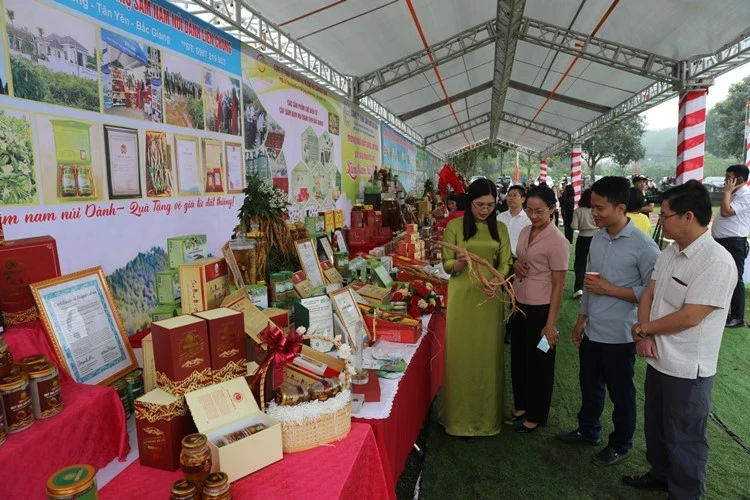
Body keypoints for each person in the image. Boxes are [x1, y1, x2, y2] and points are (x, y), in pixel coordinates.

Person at [622, 180, 736, 499]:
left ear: (688, 217)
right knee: (656, 427)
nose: (660, 220)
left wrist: (644, 330)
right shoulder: (671, 251)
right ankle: (660, 474)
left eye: (665, 214)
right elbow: (650, 293)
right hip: (658, 356)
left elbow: (690, 316)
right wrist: (643, 331)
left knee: (685, 436)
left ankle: (685, 492)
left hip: (688, 368)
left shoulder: (716, 261)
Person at [557, 177, 660, 467]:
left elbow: (653, 294)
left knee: (621, 392)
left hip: (622, 334)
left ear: (621, 207)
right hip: (594, 328)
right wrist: (581, 320)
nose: (594, 214)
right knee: (589, 385)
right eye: (592, 208)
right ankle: (588, 430)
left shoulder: (645, 247)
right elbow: (592, 282)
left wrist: (612, 290)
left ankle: (621, 443)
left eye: (600, 208)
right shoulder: (598, 237)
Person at [440, 179, 512, 438]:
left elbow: (505, 262)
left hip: (490, 296)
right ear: (469, 202)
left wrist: (496, 280)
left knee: (487, 355)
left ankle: (487, 417)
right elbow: (447, 266)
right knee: (461, 355)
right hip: (462, 296)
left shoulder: (500, 228)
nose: (485, 210)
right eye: (480, 205)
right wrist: (460, 262)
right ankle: (458, 418)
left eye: (491, 205)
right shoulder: (454, 226)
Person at [510, 185, 569, 433]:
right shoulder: (525, 231)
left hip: (541, 308)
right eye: (529, 210)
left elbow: (558, 286)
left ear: (552, 209)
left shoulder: (558, 241)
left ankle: (536, 414)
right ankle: (522, 405)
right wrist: (516, 266)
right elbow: (518, 259)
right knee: (519, 358)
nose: (533, 216)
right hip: (518, 303)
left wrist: (550, 323)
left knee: (540, 364)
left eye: (539, 211)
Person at [710, 164, 750, 328]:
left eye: (728, 178)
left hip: (734, 242)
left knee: (735, 278)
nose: (725, 181)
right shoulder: (734, 193)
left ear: (739, 179)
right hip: (723, 241)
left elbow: (727, 212)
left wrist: (727, 192)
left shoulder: (746, 195)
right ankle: (725, 311)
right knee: (722, 277)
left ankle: (737, 317)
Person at [571, 189, 598, 298]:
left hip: (583, 237)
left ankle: (579, 288)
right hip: (596, 237)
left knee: (580, 264)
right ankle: (593, 288)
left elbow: (574, 226)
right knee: (595, 263)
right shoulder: (596, 210)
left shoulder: (579, 211)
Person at [497, 185, 531, 259]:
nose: (511, 198)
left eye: (515, 195)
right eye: (509, 195)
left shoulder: (528, 220)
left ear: (523, 199)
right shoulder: (500, 217)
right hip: (499, 257)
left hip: (518, 259)